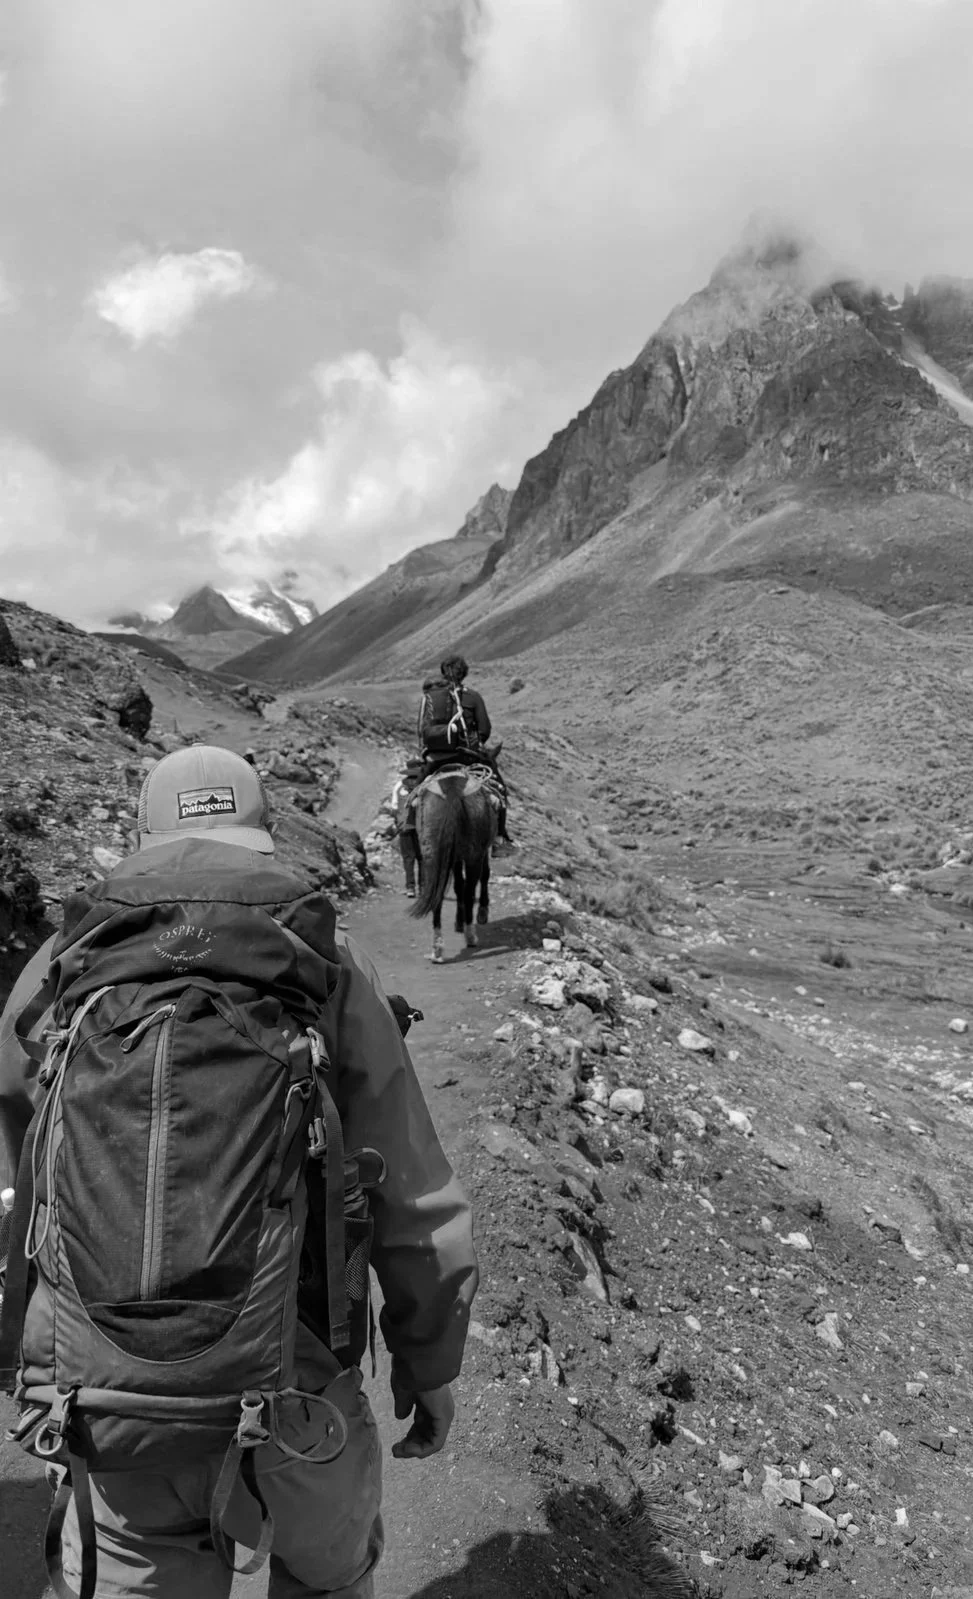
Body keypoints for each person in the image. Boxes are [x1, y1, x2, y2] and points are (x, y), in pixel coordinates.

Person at [0, 744, 478, 1599]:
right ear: (258, 832)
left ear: (143, 834)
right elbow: (407, 1191)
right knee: (324, 1579)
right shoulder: (327, 962)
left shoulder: (57, 967)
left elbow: (19, 1166)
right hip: (298, 1382)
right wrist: (428, 1364)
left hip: (111, 1397)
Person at [418, 654, 513, 847]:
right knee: (499, 790)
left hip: (435, 758)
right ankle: (499, 838)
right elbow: (485, 729)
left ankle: (409, 826)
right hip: (467, 757)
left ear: (443, 673)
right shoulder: (472, 697)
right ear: (464, 674)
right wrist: (474, 743)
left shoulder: (434, 698)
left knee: (416, 790)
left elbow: (423, 728)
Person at [389, 757, 425, 897]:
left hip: (404, 826)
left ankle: (410, 888)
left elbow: (393, 807)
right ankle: (423, 887)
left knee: (408, 858)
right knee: (422, 858)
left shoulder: (399, 785)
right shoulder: (425, 784)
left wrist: (398, 822)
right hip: (421, 826)